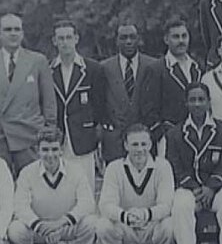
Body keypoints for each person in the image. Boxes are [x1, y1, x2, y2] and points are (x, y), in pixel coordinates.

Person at [0, 13, 57, 176]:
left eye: (17, 29)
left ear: (22, 33)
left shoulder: (38, 61)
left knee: (32, 190)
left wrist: (49, 130)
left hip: (29, 138)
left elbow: (49, 101)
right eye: (8, 29)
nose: (13, 33)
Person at [167, 83, 222, 244]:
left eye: (201, 99)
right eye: (193, 100)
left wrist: (211, 187)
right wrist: (196, 188)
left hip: (216, 188)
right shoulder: (175, 134)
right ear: (186, 103)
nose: (197, 104)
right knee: (180, 205)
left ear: (209, 102)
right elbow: (175, 167)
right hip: (190, 188)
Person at [8, 127, 96, 244]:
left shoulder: (76, 171)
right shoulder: (27, 173)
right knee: (15, 230)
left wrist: (60, 223)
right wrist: (41, 226)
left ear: (61, 150)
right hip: (39, 229)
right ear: (38, 150)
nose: (50, 155)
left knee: (92, 222)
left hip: (66, 227)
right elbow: (20, 207)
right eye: (45, 150)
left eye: (54, 149)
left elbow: (87, 203)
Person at [95, 124, 175, 244]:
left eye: (144, 144)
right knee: (103, 225)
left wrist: (146, 214)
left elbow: (166, 204)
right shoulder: (114, 168)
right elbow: (105, 205)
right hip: (126, 226)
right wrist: (126, 216)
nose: (139, 149)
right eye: (134, 144)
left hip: (151, 226)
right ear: (125, 145)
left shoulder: (163, 166)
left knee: (169, 224)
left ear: (151, 144)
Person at [49, 20, 107, 190]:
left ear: (76, 39)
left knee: (85, 188)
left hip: (83, 140)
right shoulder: (48, 70)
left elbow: (100, 105)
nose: (65, 42)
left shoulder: (92, 69)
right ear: (54, 41)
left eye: (68, 37)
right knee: (61, 189)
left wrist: (94, 133)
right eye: (61, 38)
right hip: (58, 140)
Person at [140, 18, 203, 156]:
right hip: (170, 137)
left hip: (198, 134)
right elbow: (149, 109)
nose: (181, 41)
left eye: (184, 36)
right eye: (176, 37)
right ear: (166, 39)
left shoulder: (198, 67)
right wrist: (162, 133)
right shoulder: (156, 69)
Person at [100, 23, 155, 163]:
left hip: (144, 140)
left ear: (139, 39)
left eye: (132, 37)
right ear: (117, 41)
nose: (128, 41)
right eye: (123, 38)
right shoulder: (104, 68)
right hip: (115, 141)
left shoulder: (153, 66)